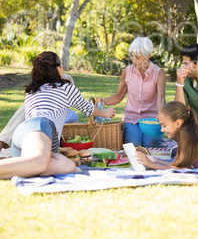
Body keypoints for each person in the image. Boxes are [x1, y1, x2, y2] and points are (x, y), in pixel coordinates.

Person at [0, 51, 116, 179]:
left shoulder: (33, 90)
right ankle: (30, 164)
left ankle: (21, 166)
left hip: (24, 135)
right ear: (58, 68)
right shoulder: (66, 88)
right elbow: (88, 108)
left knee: (68, 166)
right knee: (39, 163)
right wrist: (104, 113)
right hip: (39, 128)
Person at [101, 37, 166, 147]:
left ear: (148, 56)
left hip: (152, 119)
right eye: (131, 56)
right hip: (131, 119)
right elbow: (119, 96)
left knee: (151, 144)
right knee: (134, 144)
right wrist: (101, 101)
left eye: (137, 57)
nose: (133, 60)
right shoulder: (127, 71)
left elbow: (161, 100)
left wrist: (161, 118)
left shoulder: (159, 73)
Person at [0, 74, 78, 151]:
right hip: (32, 135)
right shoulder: (38, 103)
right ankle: (2, 142)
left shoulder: (72, 116)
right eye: (60, 83)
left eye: (67, 85)